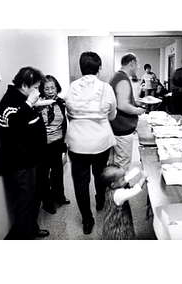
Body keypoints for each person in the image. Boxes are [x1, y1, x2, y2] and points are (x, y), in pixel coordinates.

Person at [64, 51, 117, 235]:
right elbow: (112, 114)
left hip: (78, 143)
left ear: (81, 68)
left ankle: (87, 220)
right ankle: (100, 198)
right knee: (100, 173)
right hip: (101, 140)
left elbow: (69, 113)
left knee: (80, 182)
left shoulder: (72, 87)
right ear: (99, 68)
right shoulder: (106, 88)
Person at [0, 66, 50, 239]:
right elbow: (14, 127)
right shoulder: (9, 102)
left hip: (34, 159)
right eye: (35, 87)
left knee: (34, 199)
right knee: (25, 202)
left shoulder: (22, 98)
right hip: (21, 162)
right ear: (24, 85)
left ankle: (32, 229)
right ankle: (24, 238)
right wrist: (29, 104)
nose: (37, 91)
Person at [38, 75, 70, 215]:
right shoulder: (38, 104)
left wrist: (64, 143)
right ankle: (47, 203)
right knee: (44, 175)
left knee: (58, 171)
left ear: (57, 88)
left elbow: (63, 124)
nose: (50, 91)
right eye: (47, 88)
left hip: (57, 142)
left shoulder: (61, 103)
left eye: (53, 88)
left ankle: (59, 196)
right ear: (42, 90)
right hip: (43, 145)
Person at [109, 53, 146, 171]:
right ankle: (120, 187)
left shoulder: (116, 76)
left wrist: (136, 102)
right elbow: (122, 105)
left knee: (114, 161)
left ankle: (113, 187)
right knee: (123, 161)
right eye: (137, 64)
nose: (138, 67)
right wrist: (138, 111)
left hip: (115, 127)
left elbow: (122, 99)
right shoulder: (122, 79)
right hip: (122, 128)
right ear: (132, 63)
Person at [101, 164, 147, 240]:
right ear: (113, 185)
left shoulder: (110, 187)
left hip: (110, 221)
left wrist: (135, 171)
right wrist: (143, 178)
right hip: (118, 224)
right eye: (122, 179)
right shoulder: (118, 194)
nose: (124, 179)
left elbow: (125, 179)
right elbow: (134, 191)